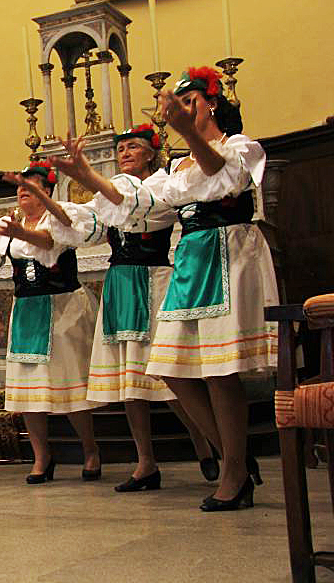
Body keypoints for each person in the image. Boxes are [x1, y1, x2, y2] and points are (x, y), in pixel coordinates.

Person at [21, 125, 216, 492]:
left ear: (150, 153)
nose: (125, 152)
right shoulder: (110, 195)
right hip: (120, 284)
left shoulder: (162, 185)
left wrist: (88, 178)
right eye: (121, 147)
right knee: (129, 383)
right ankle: (146, 462)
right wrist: (46, 200)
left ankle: (204, 441)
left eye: (133, 146)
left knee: (170, 377)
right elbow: (81, 228)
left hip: (154, 280)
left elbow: (139, 205)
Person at [139, 67, 275, 511]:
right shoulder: (176, 167)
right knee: (172, 367)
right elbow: (138, 205)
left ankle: (234, 471)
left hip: (229, 254)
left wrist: (186, 132)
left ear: (211, 102)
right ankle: (236, 455)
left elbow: (224, 175)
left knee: (220, 370)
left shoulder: (238, 147)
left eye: (189, 101)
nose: (181, 110)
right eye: (175, 106)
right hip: (191, 260)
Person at [0, 163, 101, 483]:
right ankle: (42, 456)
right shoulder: (8, 222)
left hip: (62, 310)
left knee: (71, 386)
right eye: (21, 186)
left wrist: (21, 233)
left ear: (48, 191)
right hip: (26, 312)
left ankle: (91, 449)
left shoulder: (63, 216)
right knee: (28, 390)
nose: (23, 191)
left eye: (33, 186)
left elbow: (49, 241)